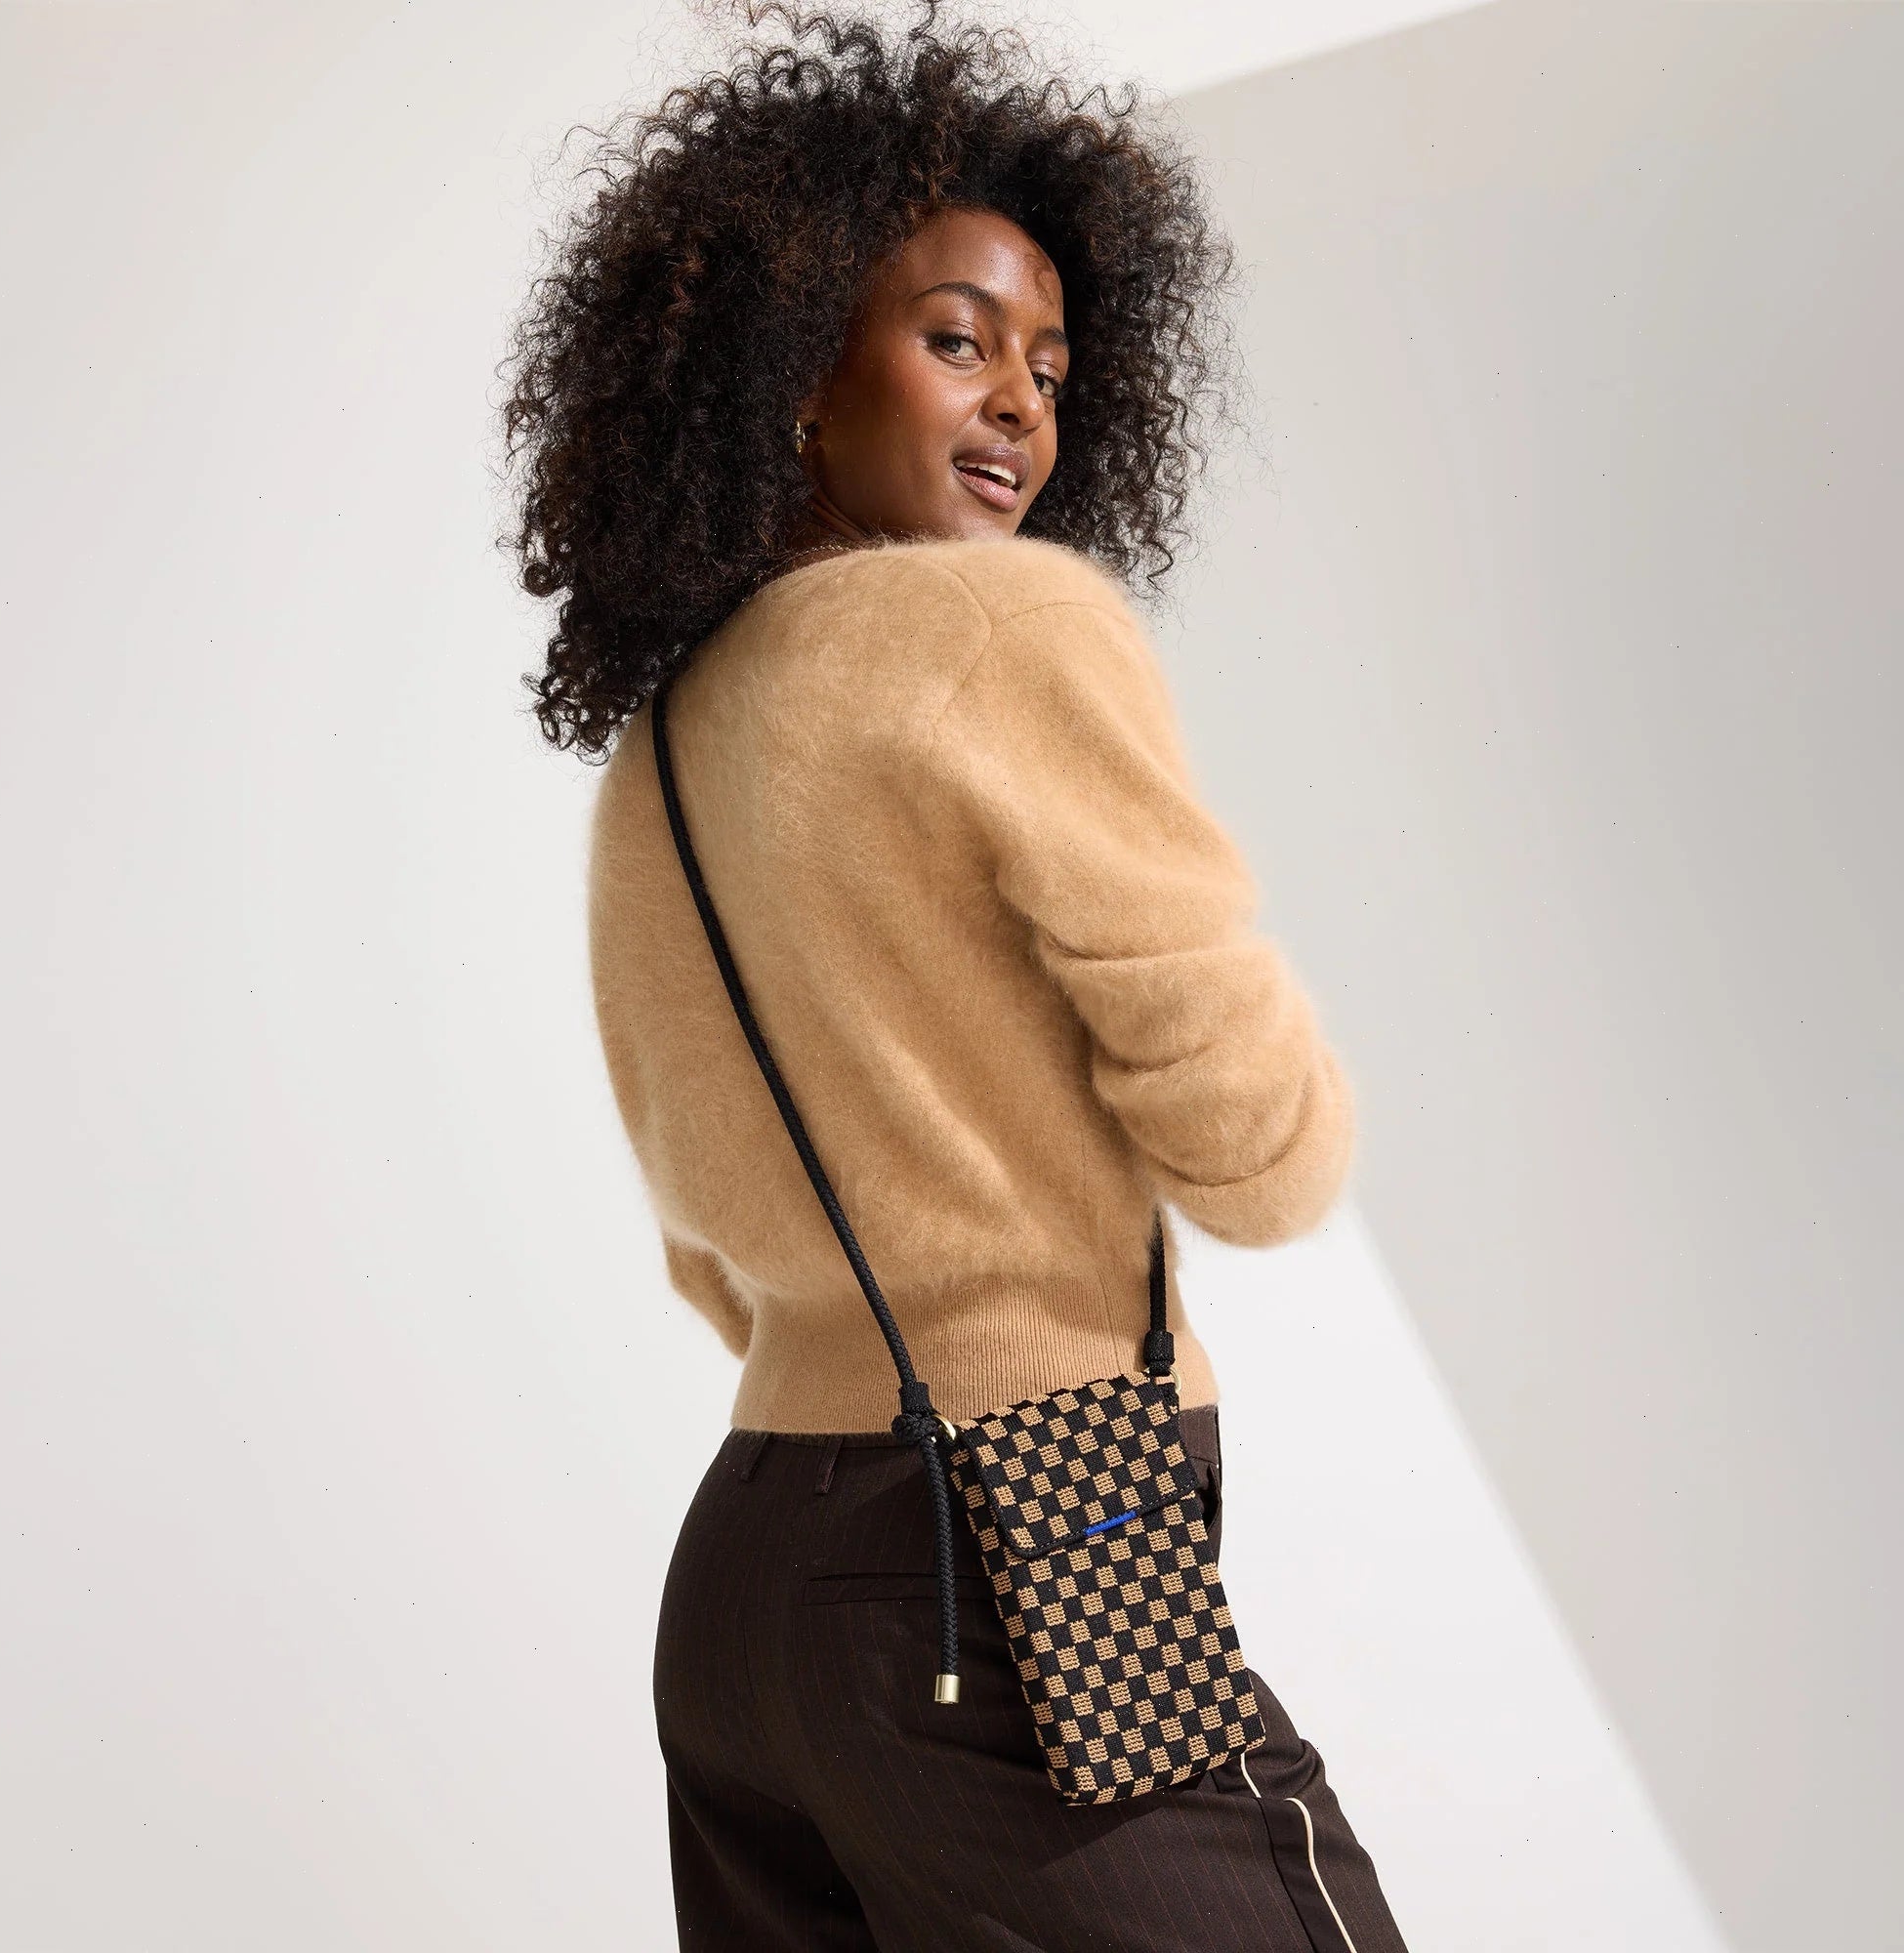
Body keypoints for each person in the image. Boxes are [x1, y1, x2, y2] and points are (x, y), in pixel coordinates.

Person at [499, 8, 1411, 1948]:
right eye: (955, 339)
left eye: (1050, 367)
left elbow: (705, 1244)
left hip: (749, 1574)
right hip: (1046, 1492)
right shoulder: (1000, 631)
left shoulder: (666, 746)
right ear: (796, 363)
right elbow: (1264, 1158)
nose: (1019, 405)